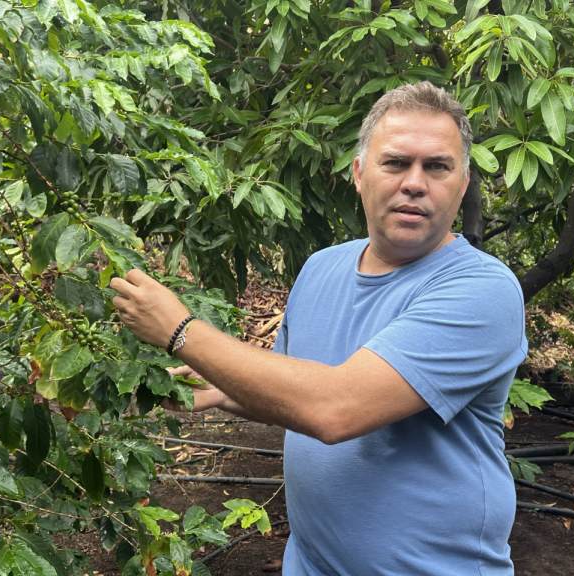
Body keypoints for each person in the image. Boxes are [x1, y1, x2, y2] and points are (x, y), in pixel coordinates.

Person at [110, 81, 527, 575]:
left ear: (462, 183)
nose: (415, 182)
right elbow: (297, 387)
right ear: (358, 173)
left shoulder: (482, 290)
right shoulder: (322, 267)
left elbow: (334, 408)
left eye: (437, 166)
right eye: (395, 162)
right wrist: (224, 389)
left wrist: (181, 331)